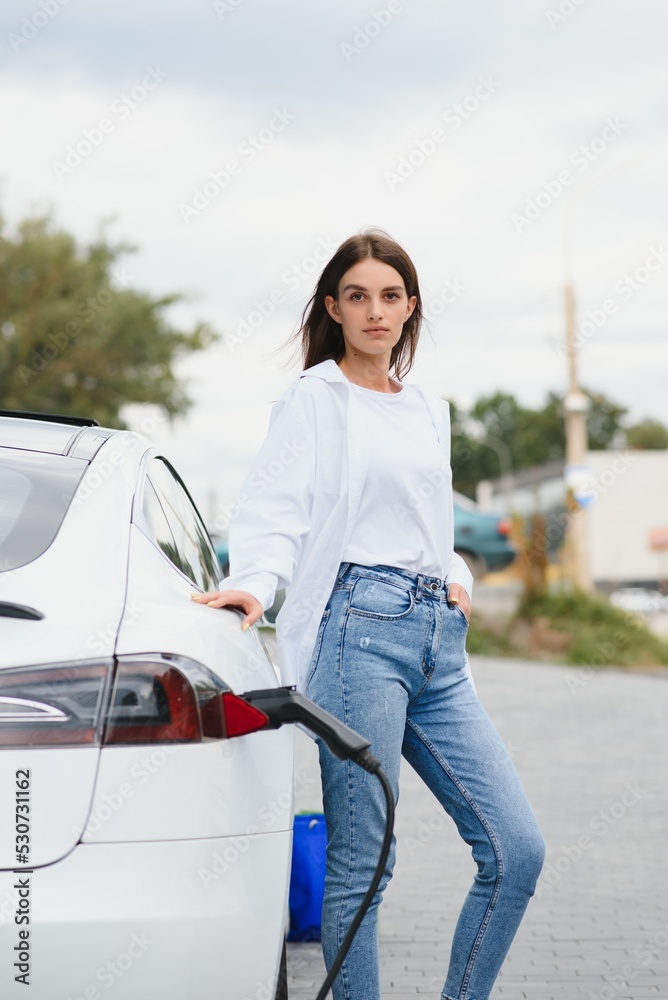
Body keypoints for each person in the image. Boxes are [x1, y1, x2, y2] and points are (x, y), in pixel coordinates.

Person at [192, 229, 545, 1000]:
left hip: (437, 641)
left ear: (410, 307)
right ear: (334, 308)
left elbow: (429, 523)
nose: (375, 311)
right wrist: (254, 583)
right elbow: (275, 505)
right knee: (364, 868)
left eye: (390, 296)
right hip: (359, 634)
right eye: (358, 296)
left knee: (517, 851)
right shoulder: (316, 399)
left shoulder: (427, 407)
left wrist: (455, 576)